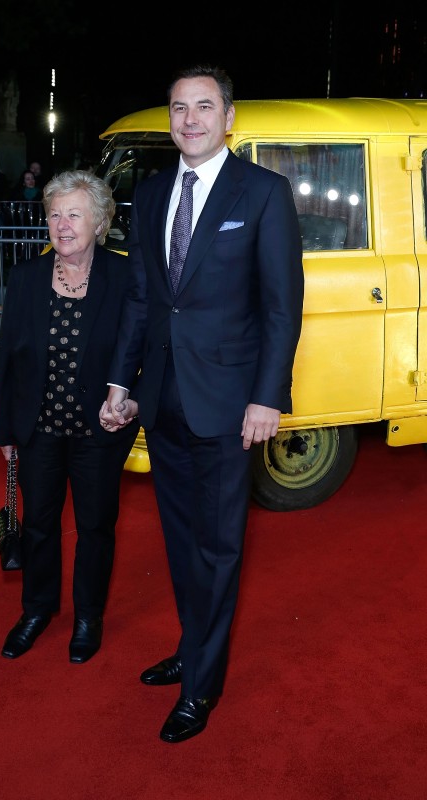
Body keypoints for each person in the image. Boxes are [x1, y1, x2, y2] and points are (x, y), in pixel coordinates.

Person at [100, 64, 305, 743]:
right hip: (162, 399)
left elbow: (281, 307)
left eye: (204, 106)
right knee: (183, 543)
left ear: (229, 117)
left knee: (219, 548)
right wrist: (121, 382)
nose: (190, 119)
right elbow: (142, 299)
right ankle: (195, 648)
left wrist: (267, 397)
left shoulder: (265, 193)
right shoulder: (152, 193)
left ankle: (202, 687)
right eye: (179, 108)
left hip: (230, 404)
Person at [0, 169, 139, 665]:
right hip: (39, 427)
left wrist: (132, 400)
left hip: (101, 429)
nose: (63, 224)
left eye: (74, 214)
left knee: (97, 525)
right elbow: (8, 359)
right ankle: (36, 610)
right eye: (54, 214)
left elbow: (144, 350)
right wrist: (6, 431)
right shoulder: (27, 278)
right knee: (38, 524)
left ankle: (87, 616)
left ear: (99, 221)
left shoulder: (124, 276)